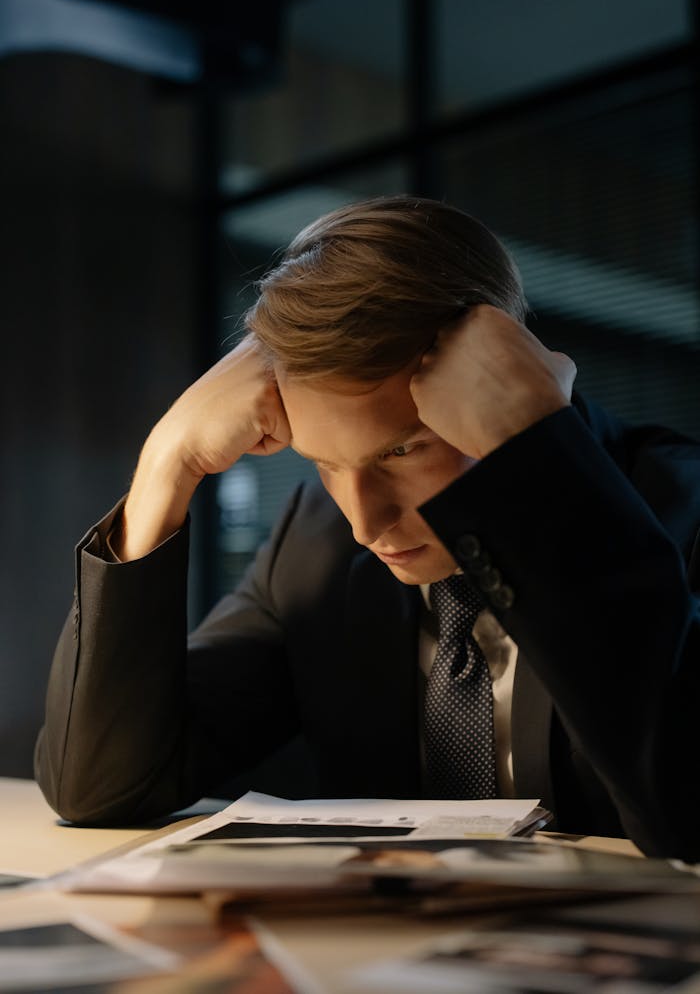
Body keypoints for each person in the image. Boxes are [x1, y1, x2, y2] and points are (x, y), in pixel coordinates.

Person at [35, 197, 700, 860]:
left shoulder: (677, 509)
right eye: (324, 462)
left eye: (403, 451)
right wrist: (165, 464)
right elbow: (101, 789)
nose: (364, 522)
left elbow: (686, 817)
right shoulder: (312, 540)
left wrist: (538, 447)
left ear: (506, 381)